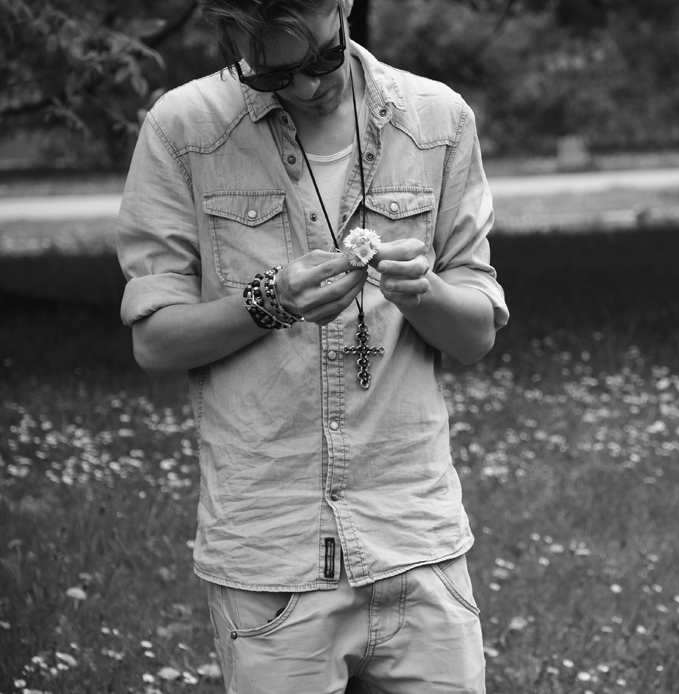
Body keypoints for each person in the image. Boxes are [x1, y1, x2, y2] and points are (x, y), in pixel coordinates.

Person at [115, 0, 508, 690]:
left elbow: (475, 336)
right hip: (271, 560)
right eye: (272, 73)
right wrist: (270, 301)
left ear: (345, 5)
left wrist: (424, 293)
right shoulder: (182, 129)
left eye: (324, 57)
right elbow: (155, 341)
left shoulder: (438, 120)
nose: (306, 86)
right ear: (233, 40)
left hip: (418, 546)